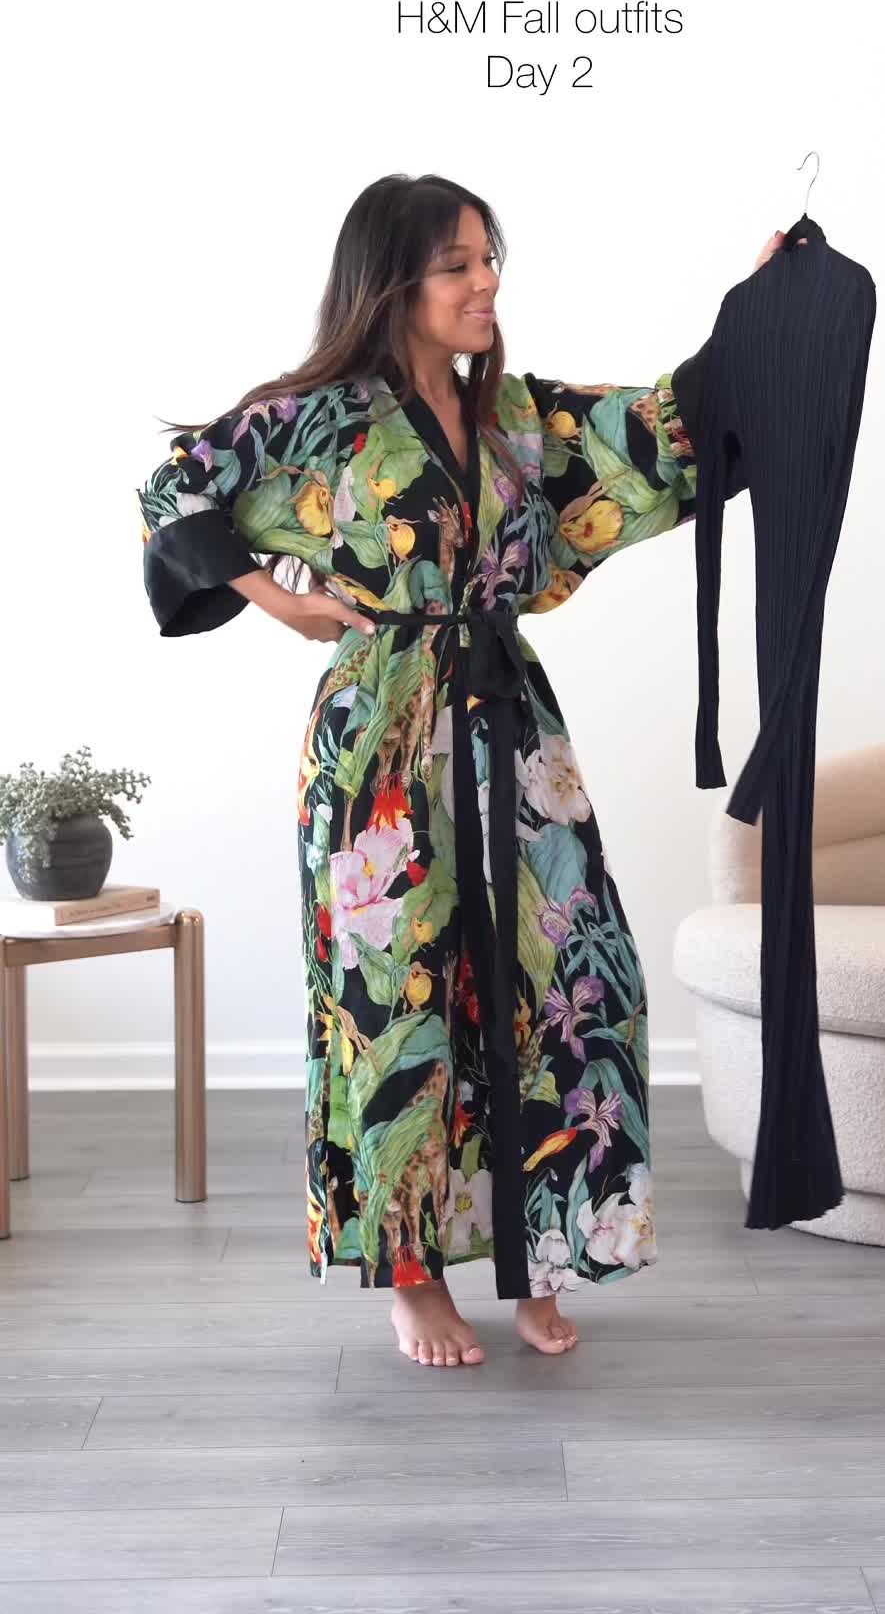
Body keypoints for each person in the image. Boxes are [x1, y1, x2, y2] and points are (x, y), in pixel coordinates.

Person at [137, 173, 787, 1369]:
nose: (486, 283)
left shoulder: (518, 419)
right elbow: (177, 482)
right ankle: (414, 1277)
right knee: (400, 996)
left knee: (570, 972)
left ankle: (544, 1250)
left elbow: (660, 426)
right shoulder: (318, 421)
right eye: (458, 266)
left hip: (509, 722)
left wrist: (758, 313)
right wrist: (281, 602)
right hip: (378, 739)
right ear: (394, 285)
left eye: (490, 260)